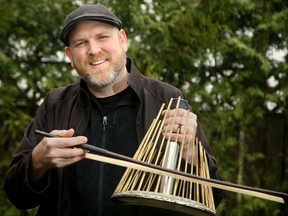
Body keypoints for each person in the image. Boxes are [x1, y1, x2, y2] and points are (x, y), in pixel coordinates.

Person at [4, 3, 222, 216]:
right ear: (70, 56)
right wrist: (38, 161)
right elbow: (17, 196)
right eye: (81, 43)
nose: (93, 50)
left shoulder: (167, 99)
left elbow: (214, 195)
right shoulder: (55, 104)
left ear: (122, 40)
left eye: (102, 37)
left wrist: (191, 153)